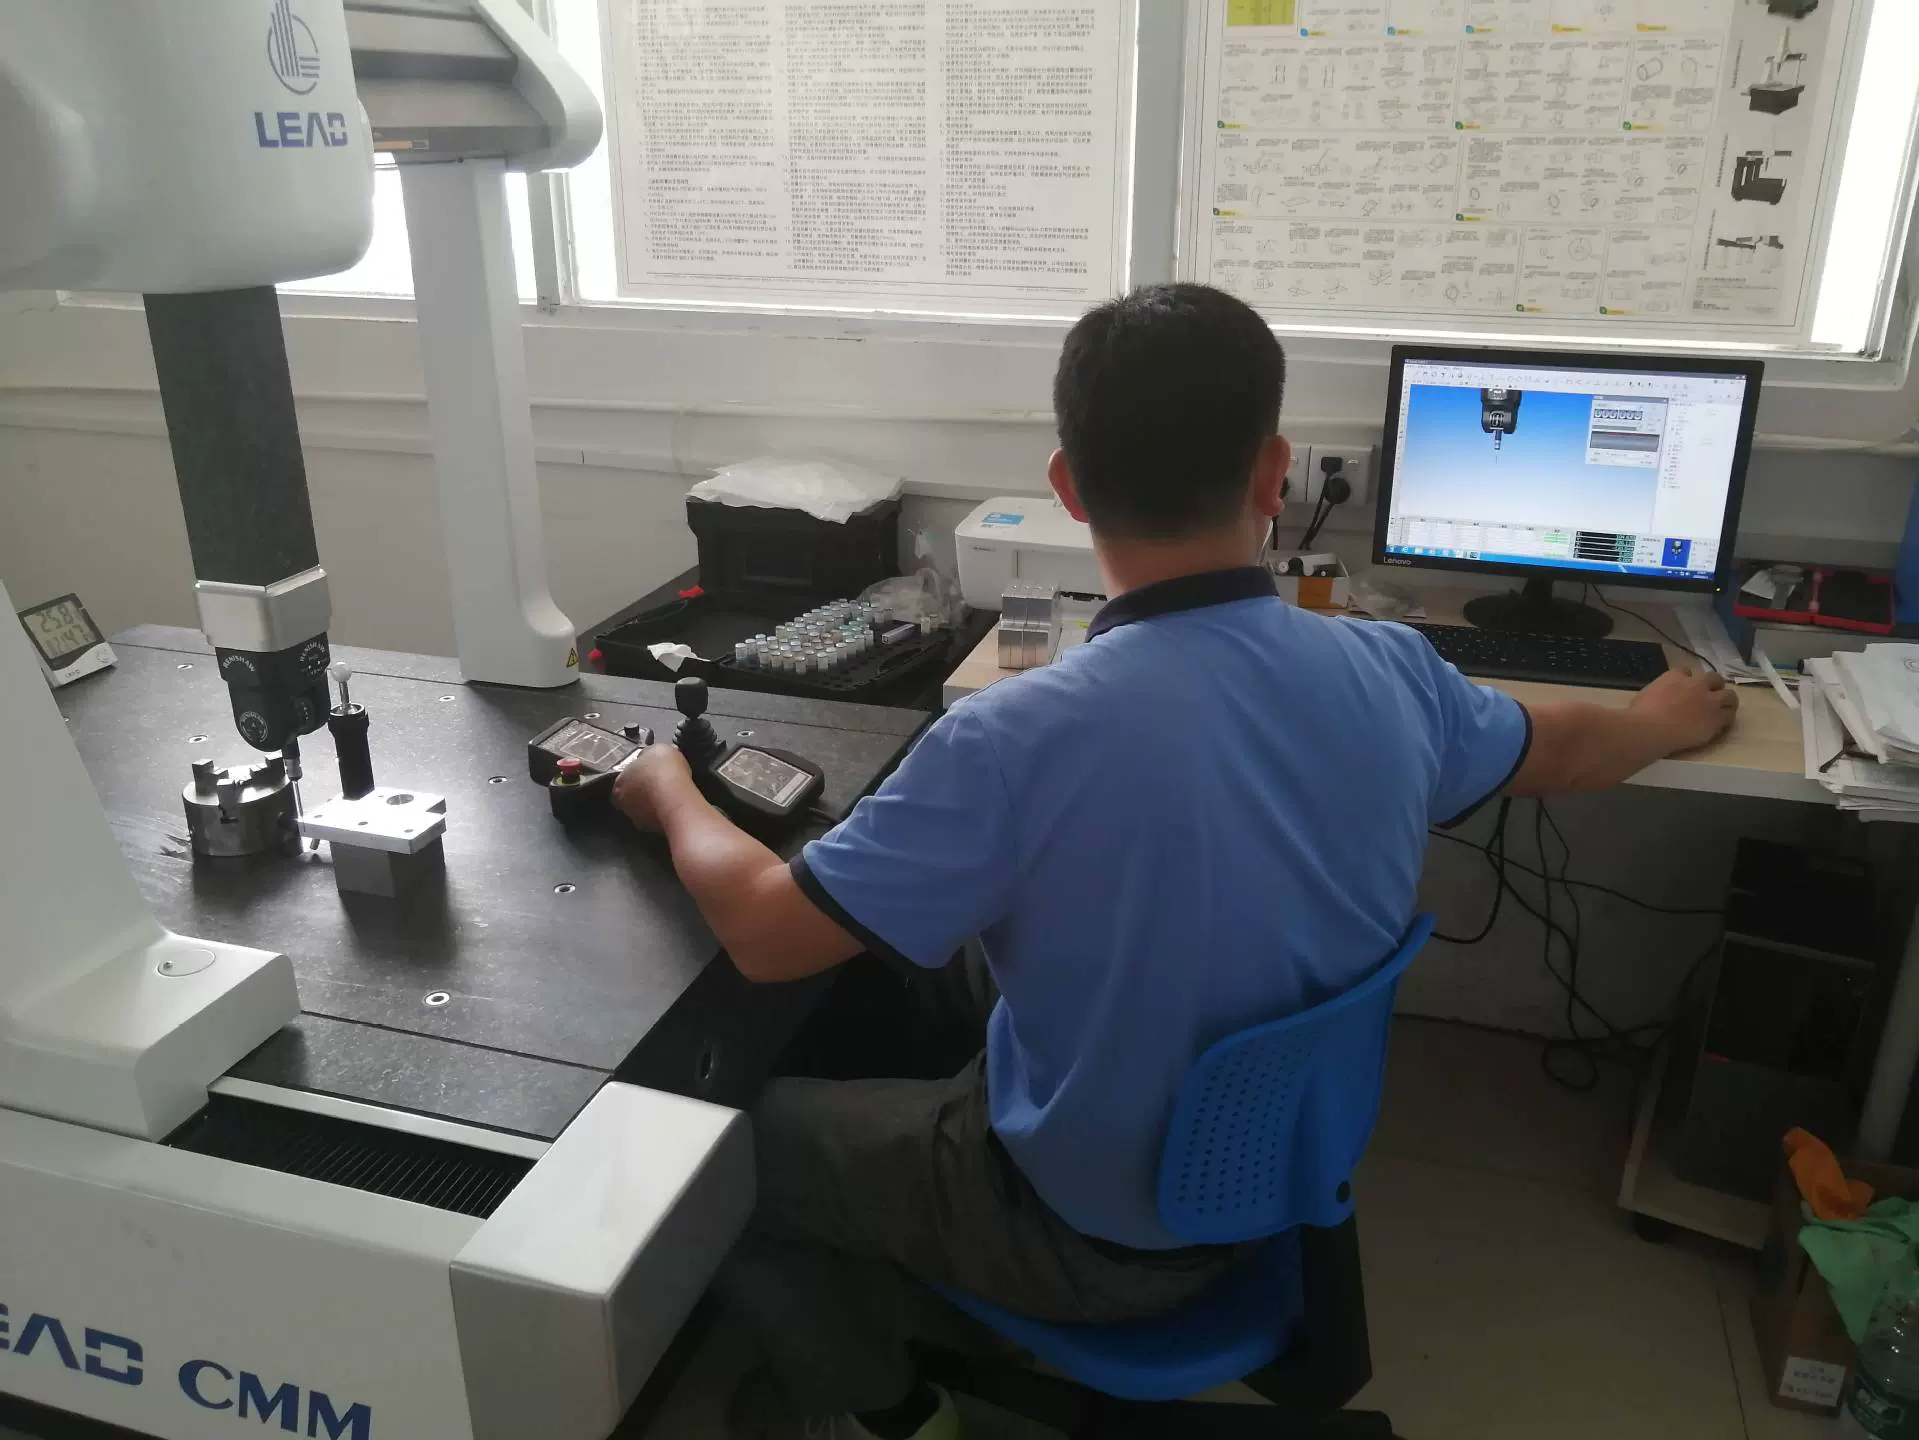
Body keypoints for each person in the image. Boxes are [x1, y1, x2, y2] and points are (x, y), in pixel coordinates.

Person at [614, 282, 1737, 1440]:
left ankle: (888, 1414)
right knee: (925, 962)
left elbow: (765, 935)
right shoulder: (1394, 671)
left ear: (1066, 485)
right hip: (1276, 1170)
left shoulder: (1010, 738)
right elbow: (1561, 748)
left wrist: (668, 790)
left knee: (712, 1156)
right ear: (1273, 474)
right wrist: (1658, 718)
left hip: (1090, 1236)